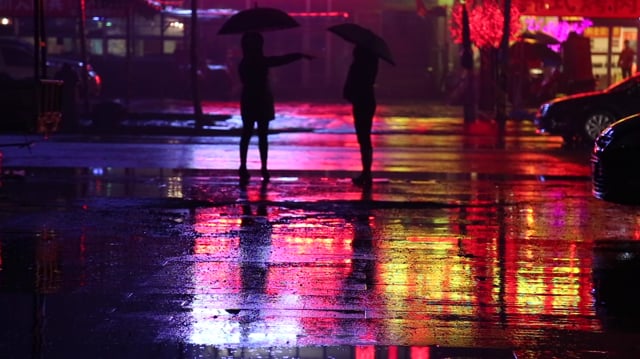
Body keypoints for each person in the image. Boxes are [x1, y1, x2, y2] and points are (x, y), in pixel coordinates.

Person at [238, 31, 313, 185]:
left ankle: (243, 166)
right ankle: (264, 167)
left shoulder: (244, 63)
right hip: (262, 99)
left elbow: (244, 80)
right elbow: (280, 60)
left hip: (249, 99)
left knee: (246, 133)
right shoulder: (262, 62)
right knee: (262, 136)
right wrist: (298, 55)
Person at [343, 45, 379, 187]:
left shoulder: (357, 66)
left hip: (360, 101)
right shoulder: (373, 65)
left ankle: (366, 173)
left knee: (363, 137)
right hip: (369, 100)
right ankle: (366, 172)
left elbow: (347, 89)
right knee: (366, 137)